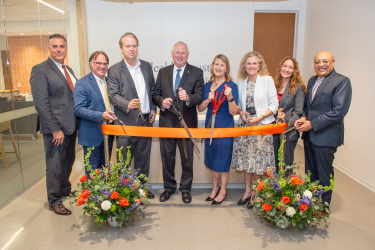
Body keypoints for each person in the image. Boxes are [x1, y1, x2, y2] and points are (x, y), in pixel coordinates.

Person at [295, 51, 352, 211]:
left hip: (326, 136)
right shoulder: (313, 80)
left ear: (333, 62)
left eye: (325, 61)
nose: (321, 65)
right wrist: (304, 118)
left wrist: (312, 124)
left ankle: (322, 208)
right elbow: (308, 105)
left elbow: (338, 111)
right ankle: (310, 204)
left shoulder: (341, 81)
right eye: (317, 62)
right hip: (310, 136)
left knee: (324, 174)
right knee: (310, 172)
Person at [30, 34, 77, 215]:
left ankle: (64, 189)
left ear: (66, 48)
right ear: (49, 48)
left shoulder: (68, 69)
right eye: (55, 46)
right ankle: (54, 200)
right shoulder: (40, 70)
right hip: (56, 129)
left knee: (68, 162)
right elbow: (41, 104)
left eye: (62, 46)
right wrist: (55, 129)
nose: (59, 49)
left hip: (70, 127)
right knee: (55, 165)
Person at [152, 41, 204, 204]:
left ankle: (186, 189)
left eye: (183, 53)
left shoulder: (196, 72)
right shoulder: (163, 72)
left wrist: (188, 97)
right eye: (177, 53)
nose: (180, 56)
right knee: (168, 158)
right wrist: (162, 102)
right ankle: (168, 188)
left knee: (187, 159)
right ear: (172, 54)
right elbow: (155, 94)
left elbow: (199, 96)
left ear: (187, 55)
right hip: (167, 122)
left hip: (187, 123)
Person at [107, 33, 156, 199]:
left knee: (143, 160)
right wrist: (126, 104)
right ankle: (123, 193)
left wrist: (154, 109)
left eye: (134, 45)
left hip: (145, 122)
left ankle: (141, 190)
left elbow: (152, 91)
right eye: (127, 46)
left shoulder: (147, 67)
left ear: (138, 47)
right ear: (121, 48)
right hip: (125, 123)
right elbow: (112, 95)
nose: (131, 49)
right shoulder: (114, 70)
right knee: (123, 162)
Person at [232, 51, 278, 209]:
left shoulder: (267, 80)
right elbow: (238, 106)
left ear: (259, 66)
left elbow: (274, 104)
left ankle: (256, 193)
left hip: (261, 126)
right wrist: (241, 113)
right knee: (247, 161)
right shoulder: (241, 83)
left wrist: (260, 117)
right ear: (244, 66)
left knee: (258, 162)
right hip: (246, 126)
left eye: (254, 63)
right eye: (248, 63)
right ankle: (247, 191)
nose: (251, 66)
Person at [197, 54, 238, 205]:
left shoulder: (231, 86)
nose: (218, 67)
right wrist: (207, 99)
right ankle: (214, 188)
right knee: (213, 158)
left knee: (223, 159)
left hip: (225, 126)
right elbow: (200, 108)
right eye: (216, 64)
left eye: (222, 65)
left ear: (226, 68)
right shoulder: (207, 85)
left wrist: (230, 97)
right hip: (210, 126)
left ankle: (223, 190)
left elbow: (234, 112)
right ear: (212, 66)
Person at [73, 51, 115, 177]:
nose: (102, 66)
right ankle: (92, 197)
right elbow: (79, 109)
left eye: (105, 63)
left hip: (108, 134)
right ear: (91, 64)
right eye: (98, 63)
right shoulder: (82, 83)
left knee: (104, 171)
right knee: (92, 174)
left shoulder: (109, 82)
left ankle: (104, 196)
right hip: (92, 135)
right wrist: (101, 115)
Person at [273, 57, 306, 175]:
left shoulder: (298, 88)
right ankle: (274, 189)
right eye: (285, 66)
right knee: (275, 163)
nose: (287, 69)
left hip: (288, 132)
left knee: (286, 165)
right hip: (274, 130)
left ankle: (286, 190)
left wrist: (285, 125)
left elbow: (298, 112)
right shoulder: (274, 85)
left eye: (290, 67)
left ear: (294, 70)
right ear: (280, 68)